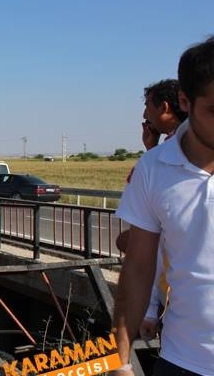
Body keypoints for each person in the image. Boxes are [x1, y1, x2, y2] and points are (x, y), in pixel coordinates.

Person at [112, 36, 214, 376]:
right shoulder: (153, 169)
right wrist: (120, 360)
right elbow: (139, 268)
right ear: (185, 101)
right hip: (185, 360)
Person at [116, 78, 189, 340]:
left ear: (167, 107)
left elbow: (151, 251)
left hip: (175, 299)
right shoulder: (171, 153)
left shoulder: (160, 161)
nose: (145, 115)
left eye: (148, 107)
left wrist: (148, 311)